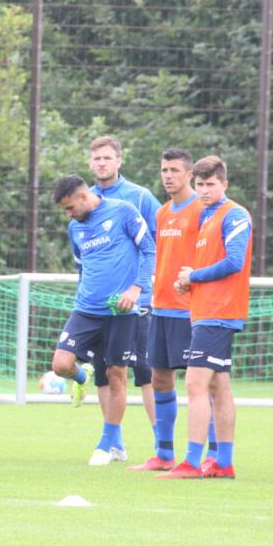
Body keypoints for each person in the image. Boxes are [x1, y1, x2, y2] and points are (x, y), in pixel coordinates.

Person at [49, 174, 155, 466]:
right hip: (86, 309)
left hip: (122, 312)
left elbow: (149, 249)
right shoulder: (75, 228)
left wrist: (136, 288)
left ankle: (108, 442)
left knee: (115, 375)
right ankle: (80, 378)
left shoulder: (123, 211)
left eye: (70, 208)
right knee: (60, 364)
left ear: (84, 197)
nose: (68, 215)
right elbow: (82, 267)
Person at [158, 156, 252, 479]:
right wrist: (188, 283)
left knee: (195, 384)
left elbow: (234, 262)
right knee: (219, 387)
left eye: (211, 184)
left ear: (224, 184)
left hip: (219, 313)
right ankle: (224, 462)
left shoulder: (234, 214)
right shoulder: (206, 216)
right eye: (200, 185)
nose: (205, 190)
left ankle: (192, 461)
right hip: (206, 311)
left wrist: (194, 275)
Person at [129, 149, 207, 470]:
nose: (168, 175)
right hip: (160, 307)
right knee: (159, 378)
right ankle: (163, 454)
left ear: (189, 175)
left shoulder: (202, 210)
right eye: (164, 170)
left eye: (174, 170)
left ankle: (211, 455)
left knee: (202, 383)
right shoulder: (162, 213)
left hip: (190, 310)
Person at [88, 136, 160, 455]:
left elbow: (161, 239)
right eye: (97, 159)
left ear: (119, 161)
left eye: (107, 158)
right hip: (98, 306)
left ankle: (163, 443)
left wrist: (147, 284)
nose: (102, 163)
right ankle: (113, 442)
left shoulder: (140, 197)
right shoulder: (85, 199)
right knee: (105, 372)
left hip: (137, 303)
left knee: (145, 371)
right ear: (90, 163)